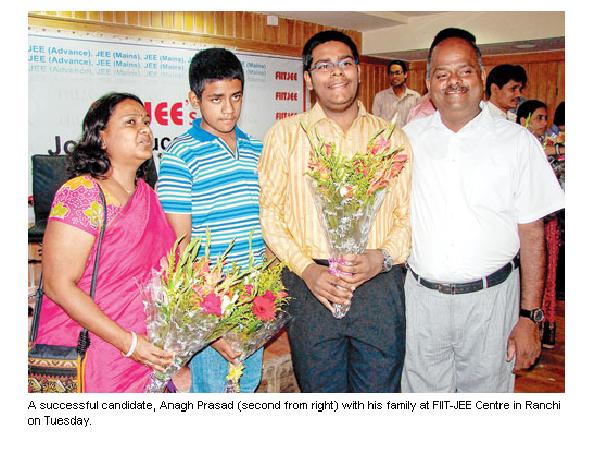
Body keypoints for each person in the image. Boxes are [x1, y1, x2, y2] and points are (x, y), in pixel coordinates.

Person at [402, 28, 564, 392]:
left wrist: (529, 317)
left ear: (481, 74)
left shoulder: (517, 142)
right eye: (442, 74)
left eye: (464, 71)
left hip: (492, 301)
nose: (453, 81)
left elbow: (532, 234)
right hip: (421, 302)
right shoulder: (408, 140)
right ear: (428, 83)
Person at [258, 30, 412, 393]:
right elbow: (271, 214)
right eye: (324, 66)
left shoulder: (391, 137)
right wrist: (307, 270)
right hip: (311, 286)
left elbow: (407, 216)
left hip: (378, 284)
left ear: (358, 71)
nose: (337, 72)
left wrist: (380, 258)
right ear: (309, 79)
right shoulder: (285, 135)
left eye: (345, 63)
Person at [36, 92, 175, 392]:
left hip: (147, 352)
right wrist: (128, 343)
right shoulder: (81, 194)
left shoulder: (149, 197)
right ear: (102, 137)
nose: (145, 130)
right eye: (131, 122)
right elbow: (57, 285)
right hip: (96, 351)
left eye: (146, 122)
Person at [157, 48, 265, 393]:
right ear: (194, 99)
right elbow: (179, 248)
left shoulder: (258, 149)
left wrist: (266, 294)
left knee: (247, 385)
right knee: (213, 391)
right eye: (216, 99)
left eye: (236, 96)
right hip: (212, 303)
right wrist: (210, 326)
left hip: (255, 299)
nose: (228, 109)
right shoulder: (180, 155)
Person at [517, 99, 564, 349]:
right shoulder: (520, 145)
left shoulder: (553, 146)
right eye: (538, 118)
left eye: (546, 118)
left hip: (548, 221)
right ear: (523, 120)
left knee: (548, 274)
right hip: (523, 225)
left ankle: (545, 327)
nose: (544, 123)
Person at [372, 59, 420, 127]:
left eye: (398, 73)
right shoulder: (380, 97)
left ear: (405, 74)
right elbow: (375, 123)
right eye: (392, 73)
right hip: (387, 134)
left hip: (408, 133)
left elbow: (418, 122)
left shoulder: (415, 97)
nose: (394, 76)